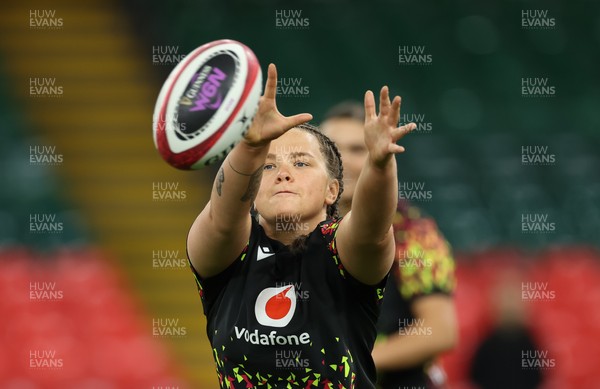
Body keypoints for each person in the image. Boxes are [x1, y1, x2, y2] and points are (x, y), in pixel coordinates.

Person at [186, 64, 416, 388]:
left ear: (332, 190)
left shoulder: (340, 249)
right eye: (268, 165)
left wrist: (379, 164)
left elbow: (372, 228)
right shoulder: (230, 252)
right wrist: (250, 146)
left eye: (301, 162)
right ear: (252, 191)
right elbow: (222, 220)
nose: (283, 173)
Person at [321, 102, 458, 388]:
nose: (342, 161)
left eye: (357, 149)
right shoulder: (298, 229)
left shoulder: (412, 232)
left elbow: (440, 330)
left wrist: (352, 362)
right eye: (332, 150)